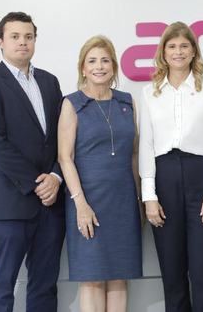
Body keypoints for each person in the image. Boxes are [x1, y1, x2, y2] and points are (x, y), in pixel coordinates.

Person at [0, 11, 65, 311]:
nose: (22, 42)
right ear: (0, 42)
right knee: (2, 286)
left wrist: (56, 176)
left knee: (45, 286)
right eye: (15, 36)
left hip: (51, 204)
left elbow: (63, 140)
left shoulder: (50, 83)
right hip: (9, 202)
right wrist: (38, 183)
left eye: (28, 37)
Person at [138, 22, 203, 312]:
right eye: (172, 46)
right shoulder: (149, 93)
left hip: (201, 177)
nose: (178, 52)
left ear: (193, 52)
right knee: (172, 271)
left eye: (184, 46)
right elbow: (146, 147)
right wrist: (149, 196)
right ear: (163, 52)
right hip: (163, 179)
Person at [58, 35, 142, 311]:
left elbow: (133, 155)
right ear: (83, 68)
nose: (99, 66)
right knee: (92, 278)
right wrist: (80, 204)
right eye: (92, 61)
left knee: (119, 277)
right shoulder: (72, 104)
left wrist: (139, 200)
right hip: (88, 201)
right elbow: (65, 158)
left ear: (114, 67)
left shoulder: (127, 102)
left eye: (105, 60)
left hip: (123, 201)